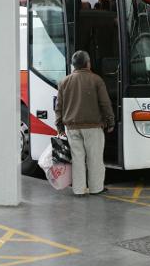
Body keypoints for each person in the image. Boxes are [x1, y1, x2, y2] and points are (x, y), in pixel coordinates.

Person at [55, 50, 114, 196]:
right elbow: (105, 103)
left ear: (73, 65)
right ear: (88, 63)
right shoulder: (96, 80)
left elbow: (59, 106)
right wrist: (110, 121)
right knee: (94, 159)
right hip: (92, 127)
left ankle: (79, 190)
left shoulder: (64, 81)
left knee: (77, 159)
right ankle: (96, 188)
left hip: (72, 127)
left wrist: (59, 125)